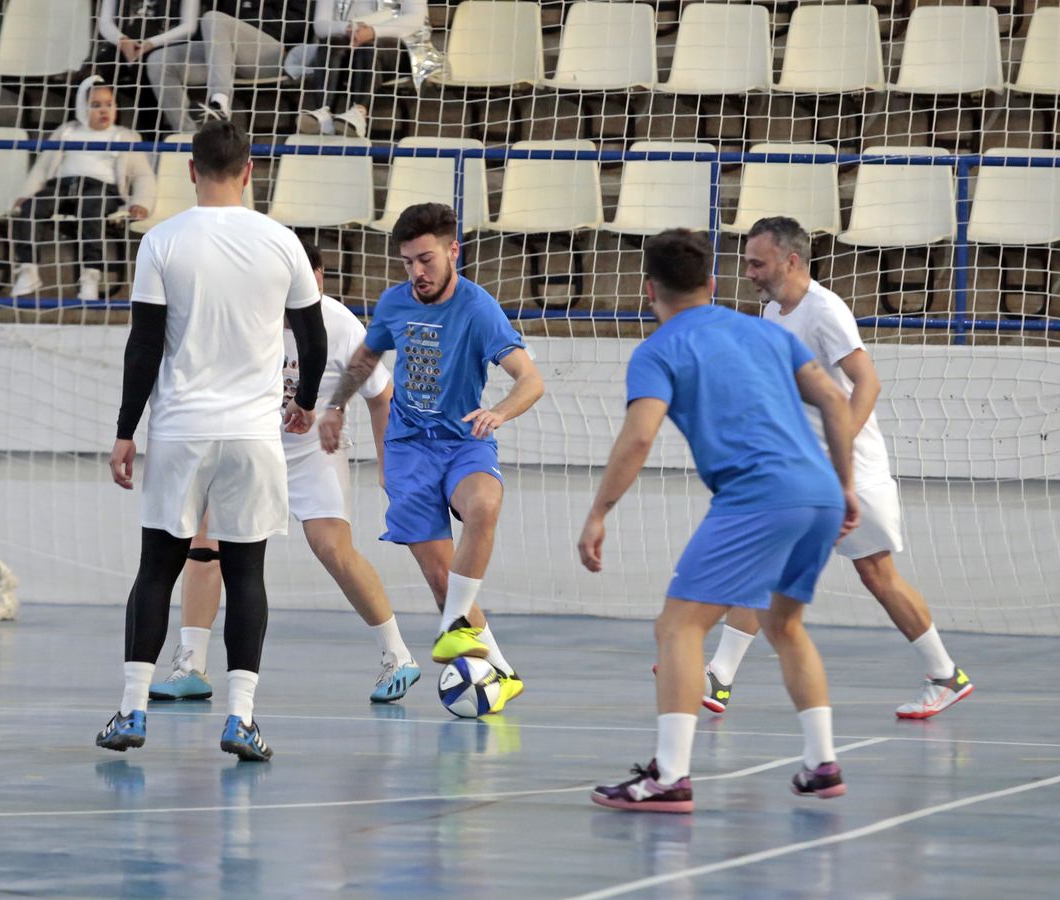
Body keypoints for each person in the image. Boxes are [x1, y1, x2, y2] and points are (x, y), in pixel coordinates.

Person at [578, 228, 860, 814]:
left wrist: (600, 511)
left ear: (647, 288)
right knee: (784, 626)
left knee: (678, 627)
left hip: (758, 495)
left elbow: (638, 437)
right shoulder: (763, 329)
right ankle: (821, 764)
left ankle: (671, 777)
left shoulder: (657, 350)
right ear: (711, 283)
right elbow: (836, 401)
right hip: (819, 492)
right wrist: (845, 485)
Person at [97, 120, 327, 762]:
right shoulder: (282, 242)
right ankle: (240, 720)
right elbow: (313, 340)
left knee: (156, 571)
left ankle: (130, 709)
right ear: (251, 172)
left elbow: (143, 346)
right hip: (254, 436)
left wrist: (124, 431)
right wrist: (305, 402)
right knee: (246, 571)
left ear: (191, 171)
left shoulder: (162, 241)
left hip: (179, 433)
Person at [692, 217, 973, 720]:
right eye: (746, 262)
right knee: (765, 563)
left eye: (757, 262)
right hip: (805, 473)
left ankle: (945, 674)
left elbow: (867, 383)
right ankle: (719, 675)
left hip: (850, 472)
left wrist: (837, 452)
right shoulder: (775, 312)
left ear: (790, 260)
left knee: (877, 574)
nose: (749, 272)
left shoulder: (824, 311)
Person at [150, 235, 421, 705]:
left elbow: (382, 396)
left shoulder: (340, 325)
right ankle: (190, 664)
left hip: (313, 451)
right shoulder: (246, 317)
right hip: (252, 446)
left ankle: (397, 654)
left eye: (310, 283)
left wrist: (388, 465)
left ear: (319, 280)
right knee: (205, 538)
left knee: (332, 548)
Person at [322, 202, 545, 714]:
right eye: (407, 263)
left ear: (453, 251)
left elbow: (530, 381)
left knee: (485, 506)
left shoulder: (477, 307)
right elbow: (366, 357)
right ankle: (503, 672)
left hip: (464, 440)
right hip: (407, 451)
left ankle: (454, 628)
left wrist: (500, 412)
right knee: (443, 579)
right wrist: (335, 406)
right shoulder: (396, 303)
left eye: (425, 260)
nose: (417, 273)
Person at [10, 76, 155, 301]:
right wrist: (25, 195)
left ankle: (90, 275)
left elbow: (143, 174)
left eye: (109, 104)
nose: (103, 110)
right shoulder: (67, 131)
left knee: (91, 209)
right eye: (95, 106)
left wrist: (141, 202)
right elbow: (41, 168)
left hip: (100, 190)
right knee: (32, 207)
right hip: (61, 187)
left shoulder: (124, 136)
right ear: (81, 107)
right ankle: (28, 269)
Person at [143, 0, 312, 133]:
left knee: (214, 18)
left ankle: (220, 102)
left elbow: (297, 26)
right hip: (225, 55)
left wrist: (240, 26)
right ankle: (189, 136)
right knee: (159, 60)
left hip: (275, 54)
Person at [297, 0, 427, 137]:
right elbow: (320, 25)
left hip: (398, 49)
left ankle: (358, 114)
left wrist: (373, 31)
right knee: (330, 44)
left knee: (368, 47)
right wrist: (347, 28)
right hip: (350, 45)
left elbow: (415, 18)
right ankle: (323, 112)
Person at [93, 0, 201, 137]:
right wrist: (122, 40)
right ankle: (107, 133)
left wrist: (151, 43)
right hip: (123, 43)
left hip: (164, 44)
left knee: (146, 67)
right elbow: (105, 22)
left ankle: (149, 138)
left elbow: (189, 27)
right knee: (99, 68)